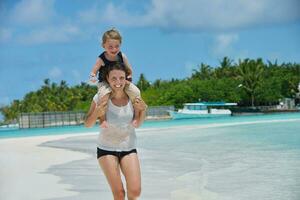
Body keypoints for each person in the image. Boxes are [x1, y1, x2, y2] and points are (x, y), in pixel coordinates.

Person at [85, 62, 147, 200]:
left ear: (126, 78)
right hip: (106, 149)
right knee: (119, 194)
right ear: (107, 79)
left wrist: (143, 110)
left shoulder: (133, 97)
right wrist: (96, 113)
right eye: (114, 78)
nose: (118, 82)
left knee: (135, 192)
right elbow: (87, 124)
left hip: (129, 148)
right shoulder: (100, 98)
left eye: (121, 78)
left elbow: (138, 124)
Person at [89, 28, 143, 128]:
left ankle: (136, 116)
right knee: (103, 96)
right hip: (104, 82)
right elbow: (94, 71)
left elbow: (129, 70)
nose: (114, 49)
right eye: (110, 47)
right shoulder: (101, 58)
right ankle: (103, 119)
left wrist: (129, 77)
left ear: (120, 45)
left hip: (121, 81)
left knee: (136, 92)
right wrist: (92, 76)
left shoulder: (122, 56)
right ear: (103, 46)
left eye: (116, 46)